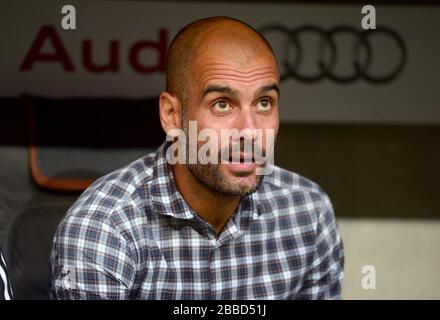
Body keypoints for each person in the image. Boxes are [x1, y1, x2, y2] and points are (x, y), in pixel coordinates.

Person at [49, 16, 344, 300]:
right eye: (222, 104)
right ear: (172, 115)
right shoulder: (104, 228)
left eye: (264, 102)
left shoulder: (308, 211)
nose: (251, 131)